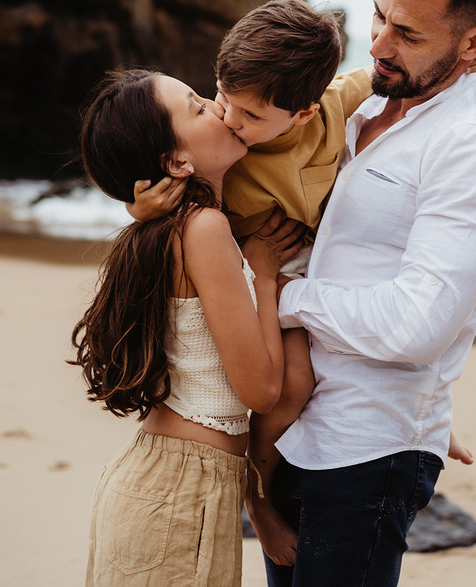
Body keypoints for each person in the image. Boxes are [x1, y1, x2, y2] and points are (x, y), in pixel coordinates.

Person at [129, 0, 476, 566]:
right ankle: (260, 504)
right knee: (294, 383)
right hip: (255, 276)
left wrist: (471, 61)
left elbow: (398, 76)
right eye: (221, 98)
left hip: (312, 267)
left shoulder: (334, 103)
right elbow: (180, 199)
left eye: (250, 115)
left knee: (359, 362)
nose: (229, 119)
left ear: (302, 114)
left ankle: (428, 422)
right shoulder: (229, 147)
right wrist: (139, 210)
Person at [264, 0, 476, 586]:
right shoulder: (364, 103)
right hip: (290, 427)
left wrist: (280, 298)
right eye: (379, 16)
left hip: (367, 450)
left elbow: (416, 326)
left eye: (409, 34)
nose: (380, 44)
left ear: (475, 41)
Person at [70, 69, 305, 586]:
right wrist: (265, 274)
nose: (219, 106)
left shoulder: (170, 228)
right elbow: (261, 391)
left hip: (166, 482)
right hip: (181, 490)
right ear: (177, 162)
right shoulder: (204, 228)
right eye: (198, 106)